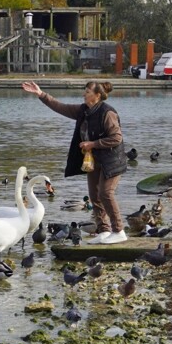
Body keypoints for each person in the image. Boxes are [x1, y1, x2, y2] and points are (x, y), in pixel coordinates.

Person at [22, 80, 128, 244]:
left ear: (97, 95)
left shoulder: (107, 113)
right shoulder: (83, 110)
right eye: (84, 91)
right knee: (94, 196)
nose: (83, 94)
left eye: (87, 92)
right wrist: (40, 94)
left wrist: (92, 144)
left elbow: (116, 138)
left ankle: (119, 230)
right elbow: (60, 107)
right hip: (93, 161)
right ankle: (105, 231)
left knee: (106, 193)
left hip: (112, 160)